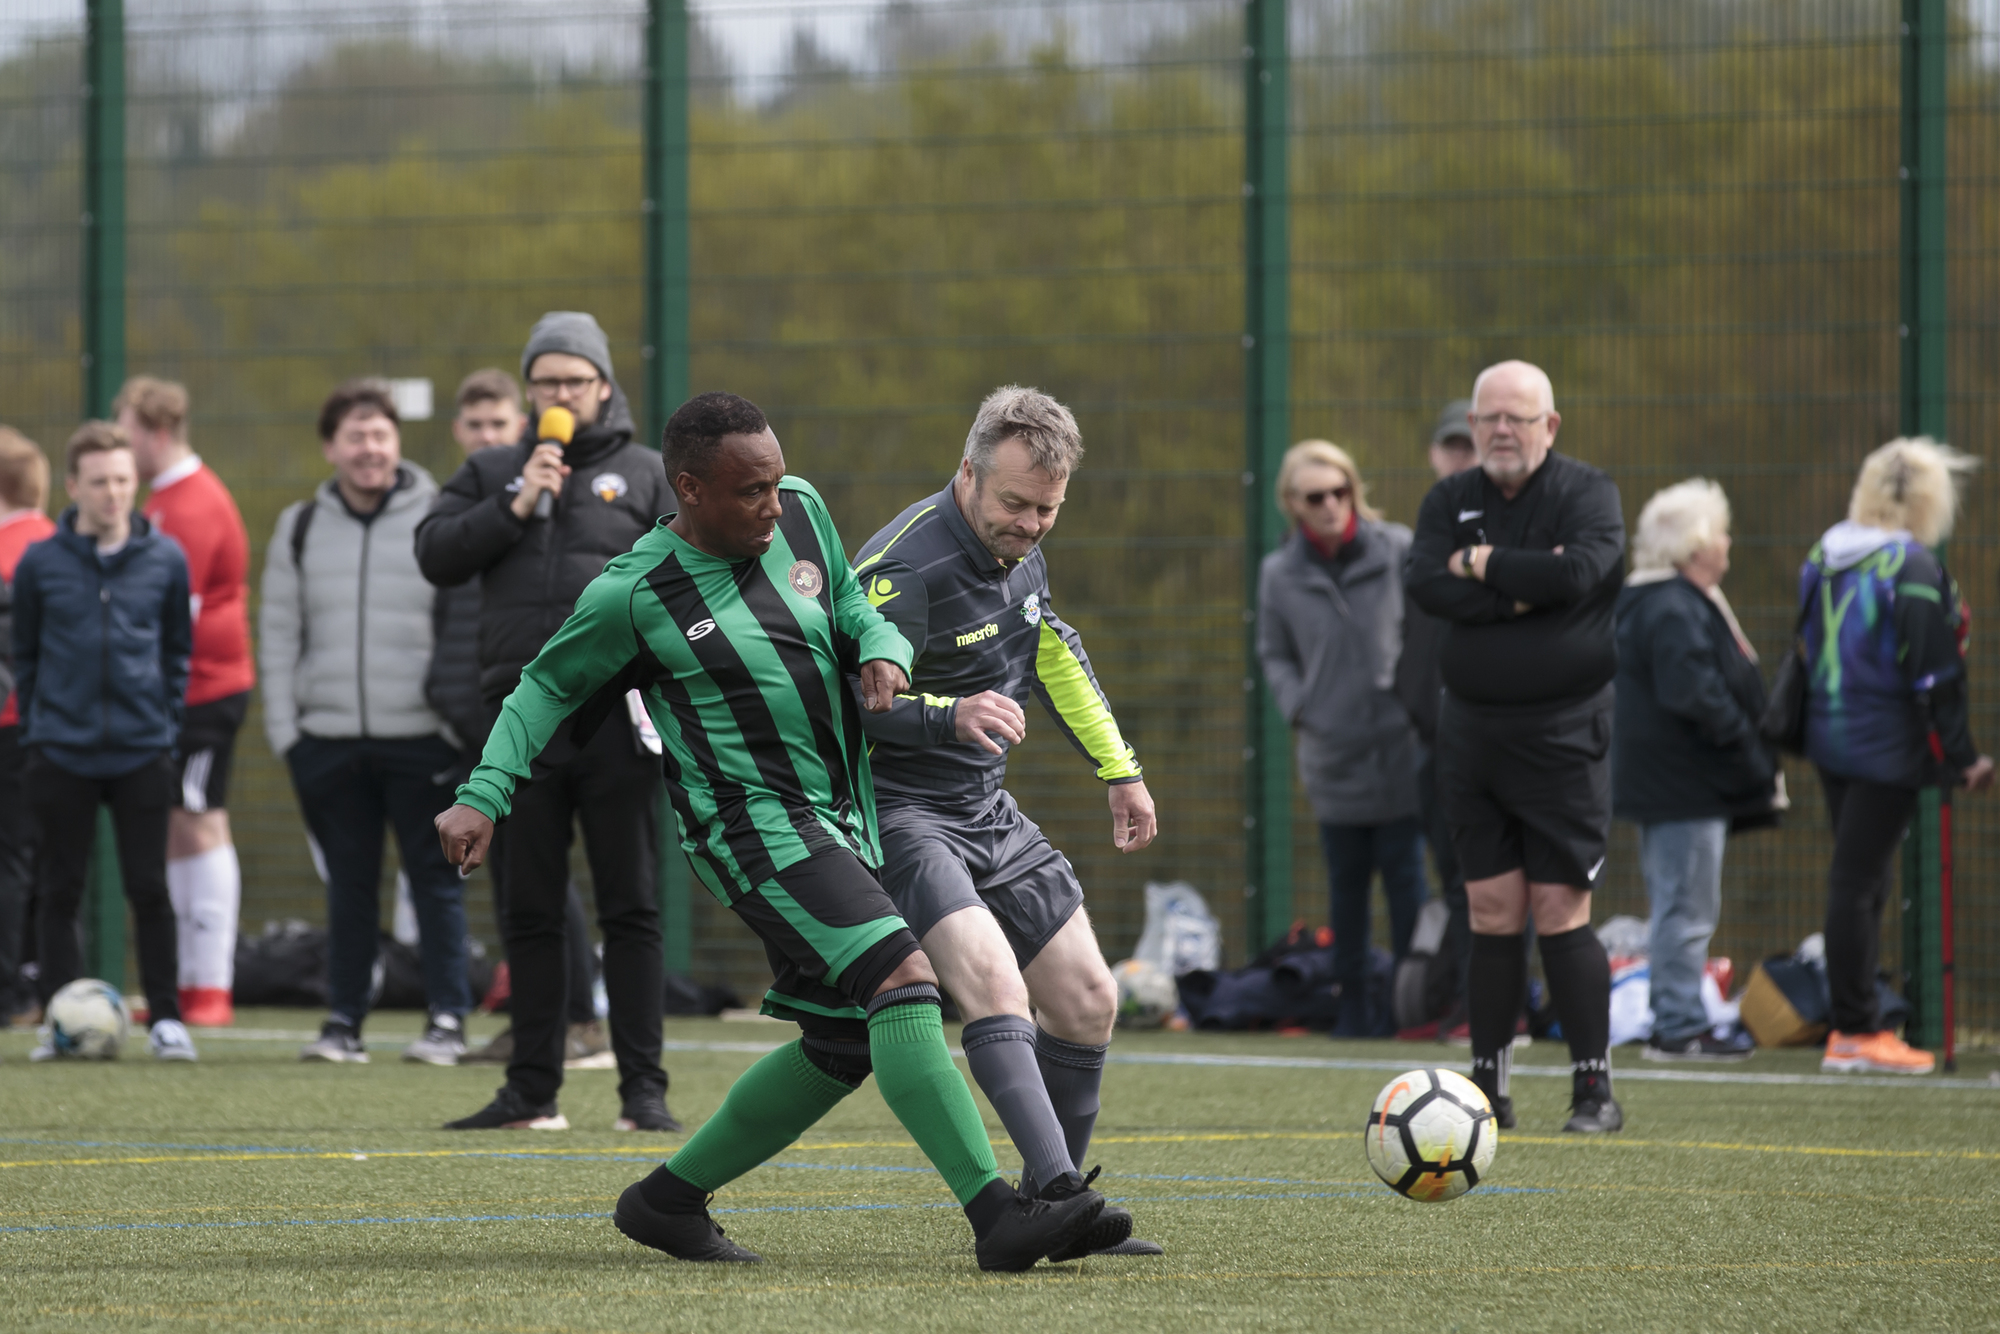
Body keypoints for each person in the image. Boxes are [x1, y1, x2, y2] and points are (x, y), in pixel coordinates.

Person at [434, 392, 1105, 1269]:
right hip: (752, 831)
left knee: (839, 1045)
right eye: (751, 491)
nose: (774, 506)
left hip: (840, 817)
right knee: (905, 980)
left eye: (778, 484)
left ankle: (667, 1200)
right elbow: (544, 688)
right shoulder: (633, 593)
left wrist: (884, 650)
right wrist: (483, 795)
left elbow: (857, 612)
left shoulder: (806, 515)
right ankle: (999, 1216)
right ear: (690, 489)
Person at [852, 385, 1160, 1260]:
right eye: (1014, 504)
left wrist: (1121, 771)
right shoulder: (904, 567)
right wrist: (949, 713)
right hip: (902, 811)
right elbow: (856, 704)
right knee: (996, 986)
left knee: (1090, 999)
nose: (1028, 525)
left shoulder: (1025, 554)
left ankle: (1051, 1206)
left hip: (985, 807)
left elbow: (1050, 649)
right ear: (968, 476)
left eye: (1047, 511)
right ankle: (1058, 1194)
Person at [419, 313, 677, 1131]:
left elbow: (689, 575)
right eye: (547, 381)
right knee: (527, 909)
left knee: (630, 908)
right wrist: (515, 500)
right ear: (529, 390)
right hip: (517, 722)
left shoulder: (645, 475)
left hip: (616, 719)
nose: (561, 394)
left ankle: (644, 1094)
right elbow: (435, 553)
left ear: (604, 386)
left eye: (575, 380)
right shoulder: (495, 468)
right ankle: (532, 1092)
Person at [1406, 360, 1626, 1133]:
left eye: (1517, 418)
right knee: (1492, 909)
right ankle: (1487, 1090)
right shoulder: (1448, 498)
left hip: (1565, 735)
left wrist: (1484, 567)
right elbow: (1427, 583)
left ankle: (1593, 1091)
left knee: (1562, 908)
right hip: (1471, 734)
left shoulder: (1587, 493)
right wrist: (1530, 587)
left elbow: (1588, 575)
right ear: (1472, 424)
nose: (1501, 430)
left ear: (1549, 427)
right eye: (1488, 417)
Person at [259, 380, 471, 1066]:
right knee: (349, 887)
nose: (369, 448)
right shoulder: (298, 527)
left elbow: (463, 628)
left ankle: (446, 1021)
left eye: (379, 434)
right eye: (354, 435)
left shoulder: (442, 514)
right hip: (326, 744)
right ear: (331, 447)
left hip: (423, 739)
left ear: (397, 442)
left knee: (435, 883)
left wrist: (452, 725)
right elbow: (278, 635)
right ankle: (343, 1022)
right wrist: (288, 734)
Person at [426, 369, 605, 1069]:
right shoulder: (482, 494)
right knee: (510, 877)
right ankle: (537, 1022)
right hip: (481, 703)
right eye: (475, 428)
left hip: (559, 709)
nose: (489, 438)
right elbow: (442, 584)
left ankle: (581, 1016)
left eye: (499, 426)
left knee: (552, 876)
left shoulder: (571, 491)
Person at [1800, 437, 1992, 1075]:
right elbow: (1937, 674)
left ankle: (1857, 1022)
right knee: (1858, 884)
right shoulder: (1909, 565)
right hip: (1886, 746)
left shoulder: (1825, 556)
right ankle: (1854, 1029)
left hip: (1829, 737)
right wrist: (1964, 756)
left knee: (1862, 880)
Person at [13, 421, 196, 1061]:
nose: (114, 493)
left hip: (143, 749)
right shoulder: (40, 563)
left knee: (149, 888)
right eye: (99, 482)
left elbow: (178, 650)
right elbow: (26, 654)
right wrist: (40, 728)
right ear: (73, 486)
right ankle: (64, 1022)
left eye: (123, 479)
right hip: (59, 750)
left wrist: (164, 720)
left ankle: (169, 1022)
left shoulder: (167, 559)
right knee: (59, 889)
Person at [1259, 439, 1424, 1037]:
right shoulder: (1279, 574)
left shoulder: (1399, 548)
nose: (1330, 504)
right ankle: (1355, 1009)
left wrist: (1416, 701)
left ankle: (1412, 1007)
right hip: (1332, 753)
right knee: (1347, 890)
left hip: (1401, 746)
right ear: (1293, 505)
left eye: (1339, 491)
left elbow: (1427, 630)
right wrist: (1302, 706)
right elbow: (1273, 652)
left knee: (1409, 883)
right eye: (1315, 496)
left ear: (1354, 490)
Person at [1613, 479, 1772, 1061]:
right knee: (1686, 907)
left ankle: (1677, 1015)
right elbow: (1694, 693)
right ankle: (1677, 1024)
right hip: (1684, 784)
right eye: (1720, 531)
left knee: (1678, 903)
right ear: (1696, 544)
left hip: (1670, 783)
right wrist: (1746, 746)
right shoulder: (1674, 606)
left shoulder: (1656, 600)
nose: (1728, 542)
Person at [114, 377, 255, 1029]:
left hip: (205, 689)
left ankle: (211, 989)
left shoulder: (193, 504)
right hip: (180, 691)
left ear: (156, 432)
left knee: (199, 818)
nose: (121, 442)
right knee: (179, 822)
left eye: (126, 428)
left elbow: (180, 610)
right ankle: (185, 982)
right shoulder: (164, 497)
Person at [1394, 401, 1480, 1034]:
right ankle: (1466, 1004)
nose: (1462, 455)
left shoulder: (1506, 529)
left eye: (1471, 444)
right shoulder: (1427, 529)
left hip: (1487, 737)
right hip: (1431, 740)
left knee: (1497, 883)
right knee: (1456, 880)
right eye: (1453, 444)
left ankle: (1493, 1009)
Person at [0, 426, 57, 1027]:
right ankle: (43, 979)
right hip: (56, 726)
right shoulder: (59, 542)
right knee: (46, 860)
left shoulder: (11, 552)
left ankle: (10, 991)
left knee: (9, 861)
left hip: (11, 722)